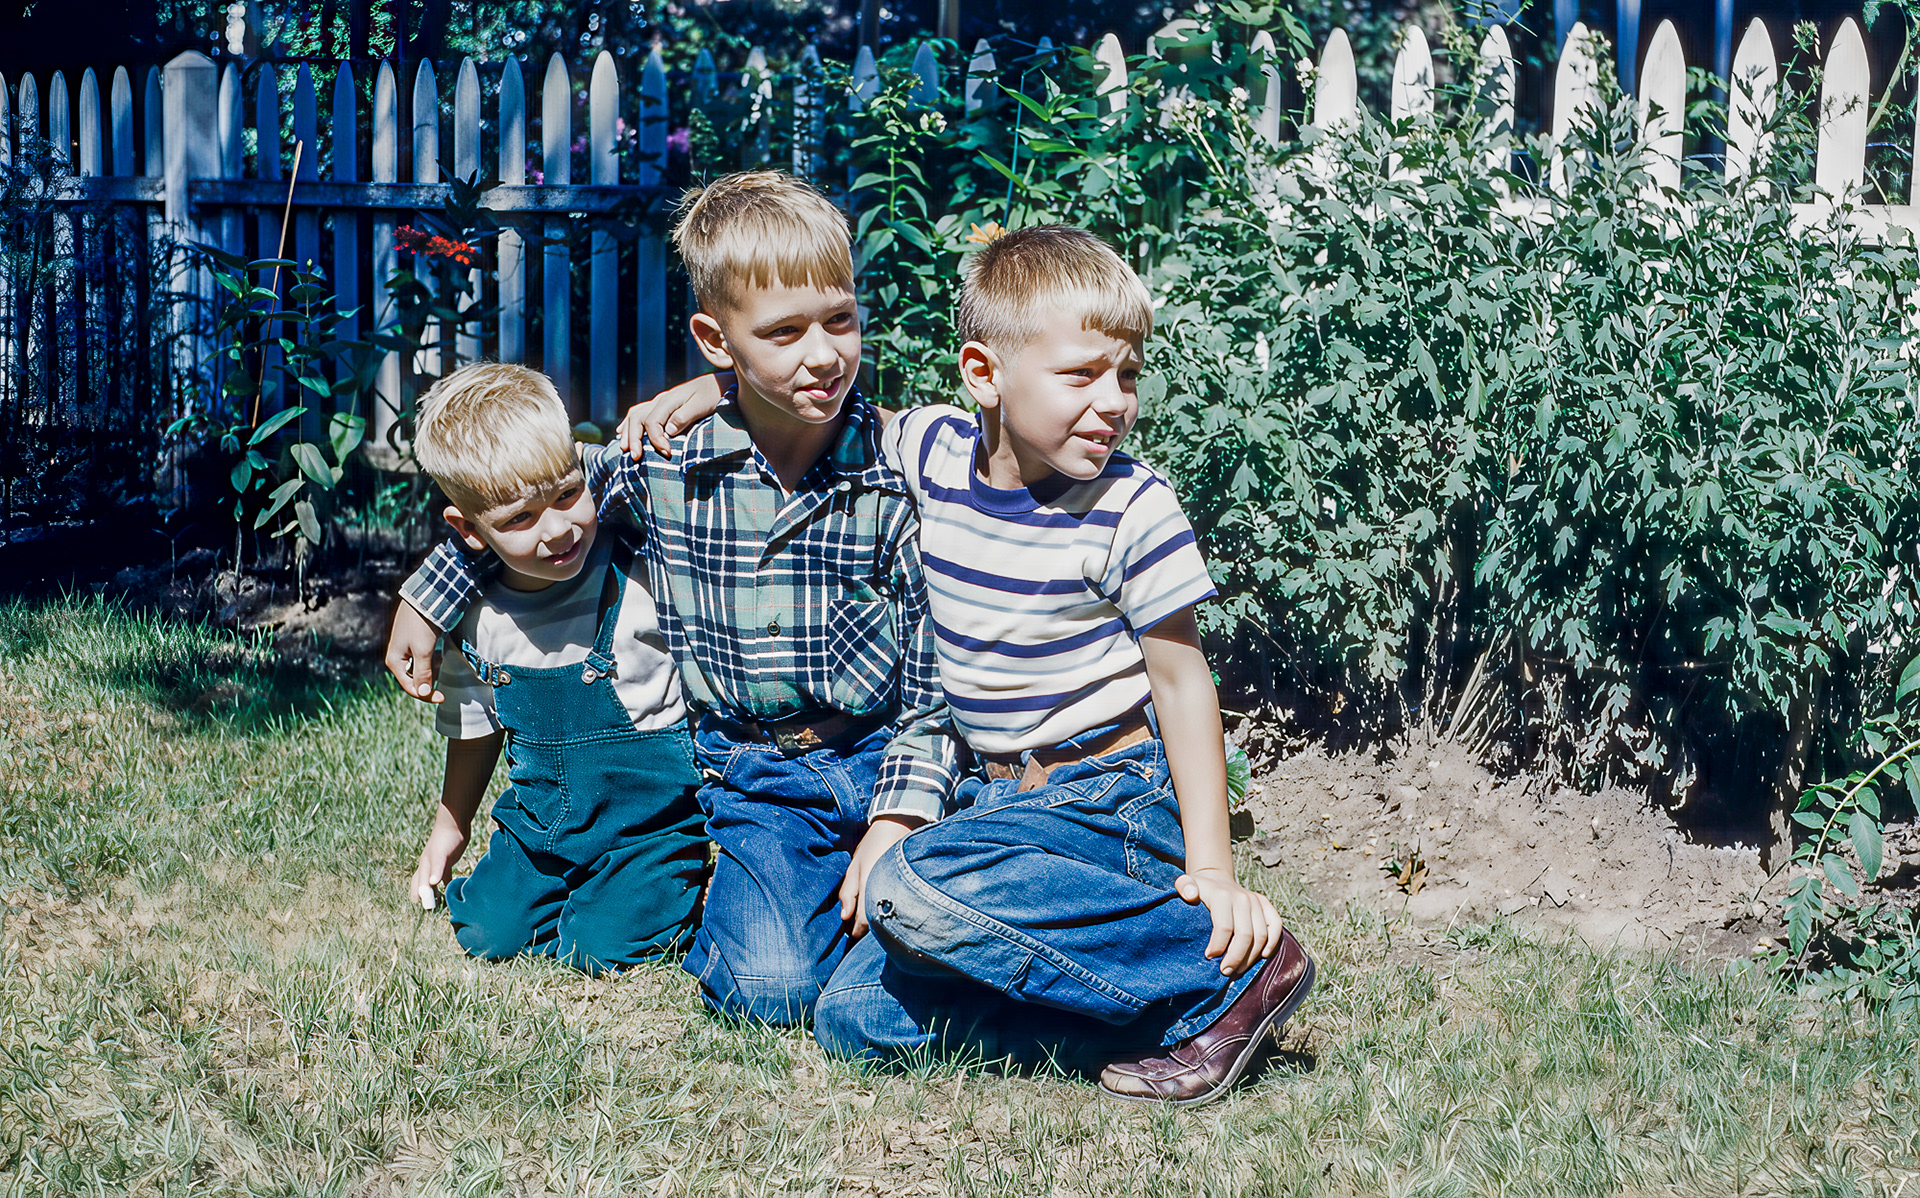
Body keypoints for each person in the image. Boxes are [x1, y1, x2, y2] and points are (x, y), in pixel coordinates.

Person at [625, 224, 1316, 1106]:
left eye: (1128, 374)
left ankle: (1230, 970)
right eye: (1081, 375)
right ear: (984, 375)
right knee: (852, 1016)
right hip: (993, 802)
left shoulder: (1132, 506)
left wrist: (1213, 873)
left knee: (907, 884)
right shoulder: (931, 451)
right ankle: (1152, 1019)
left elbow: (1183, 685)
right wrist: (711, 390)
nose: (1114, 402)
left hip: (1105, 793)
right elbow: (811, 404)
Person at [385, 171, 961, 1023]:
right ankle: (798, 913)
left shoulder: (894, 471)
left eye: (840, 319)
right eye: (784, 331)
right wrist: (428, 595)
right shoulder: (664, 464)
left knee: (929, 920)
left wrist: (900, 815)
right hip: (760, 773)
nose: (823, 354)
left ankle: (891, 905)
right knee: (770, 989)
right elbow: (529, 505)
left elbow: (933, 678)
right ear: (715, 339)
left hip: (881, 752)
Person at [406, 362, 706, 975]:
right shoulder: (477, 617)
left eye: (567, 494)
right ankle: (576, 891)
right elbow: (474, 729)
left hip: (650, 824)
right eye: (519, 519)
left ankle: (668, 885)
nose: (558, 529)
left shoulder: (639, 570)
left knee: (600, 945)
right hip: (543, 823)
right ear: (468, 530)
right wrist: (449, 829)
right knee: (486, 929)